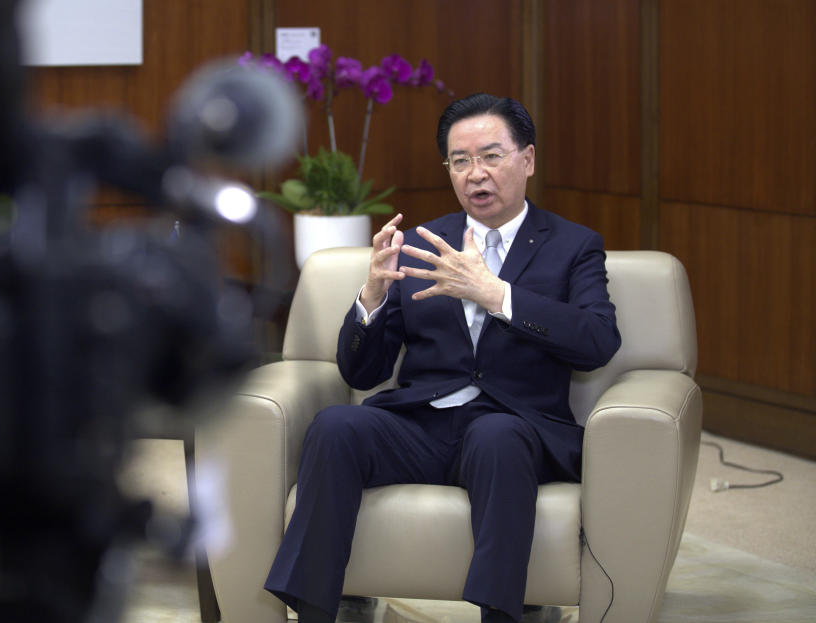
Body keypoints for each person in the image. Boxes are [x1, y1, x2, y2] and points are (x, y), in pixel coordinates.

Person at [264, 93, 621, 623]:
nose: (475, 174)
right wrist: (373, 298)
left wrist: (495, 294)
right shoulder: (421, 244)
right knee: (335, 427)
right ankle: (321, 613)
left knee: (496, 437)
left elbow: (597, 342)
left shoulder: (573, 246)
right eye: (460, 161)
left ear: (527, 159)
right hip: (423, 424)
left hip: (513, 425)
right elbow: (361, 373)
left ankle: (505, 615)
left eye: (491, 156)